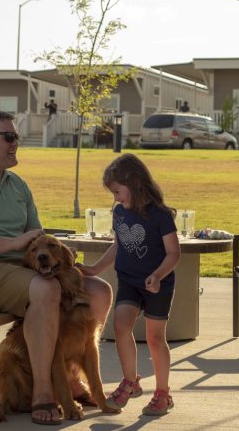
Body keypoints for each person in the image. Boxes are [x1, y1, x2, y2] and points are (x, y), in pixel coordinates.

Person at [0, 109, 113, 424]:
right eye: (9, 137)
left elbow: (38, 239)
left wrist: (66, 263)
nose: (16, 142)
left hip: (22, 272)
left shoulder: (17, 185)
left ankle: (70, 378)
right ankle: (43, 393)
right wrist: (11, 245)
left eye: (15, 136)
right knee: (46, 290)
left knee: (98, 291)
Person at [79, 153, 180, 417]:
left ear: (135, 183)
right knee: (121, 325)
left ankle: (162, 394)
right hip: (129, 281)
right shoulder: (120, 213)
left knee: (155, 338)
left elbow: (173, 254)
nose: (115, 198)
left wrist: (157, 275)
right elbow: (118, 245)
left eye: (117, 191)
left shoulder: (160, 215)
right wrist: (94, 269)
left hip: (158, 283)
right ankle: (130, 381)